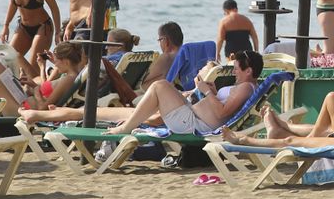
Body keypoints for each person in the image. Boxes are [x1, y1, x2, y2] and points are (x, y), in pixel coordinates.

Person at [102, 49, 263, 135]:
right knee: (163, 88)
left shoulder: (246, 87)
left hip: (197, 125)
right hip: (195, 117)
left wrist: (206, 92)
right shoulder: (245, 87)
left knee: (160, 86)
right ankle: (133, 122)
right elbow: (223, 108)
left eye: (236, 69)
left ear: (248, 71)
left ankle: (127, 127)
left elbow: (222, 113)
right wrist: (212, 93)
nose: (234, 73)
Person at [0, 41, 88, 117]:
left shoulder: (68, 79)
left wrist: (36, 92)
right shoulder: (71, 77)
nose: (55, 64)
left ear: (66, 62)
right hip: (23, 102)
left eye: (56, 61)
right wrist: (34, 86)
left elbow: (43, 109)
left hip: (20, 110)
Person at [0, 0, 64, 78]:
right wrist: (6, 25)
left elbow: (54, 8)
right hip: (23, 27)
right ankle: (17, 88)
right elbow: (13, 4)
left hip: (43, 27)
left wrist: (58, 32)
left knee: (34, 66)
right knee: (8, 59)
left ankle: (36, 90)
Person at [143, 22, 185, 87]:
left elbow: (144, 82)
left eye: (160, 40)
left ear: (165, 40)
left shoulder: (167, 57)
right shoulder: (187, 53)